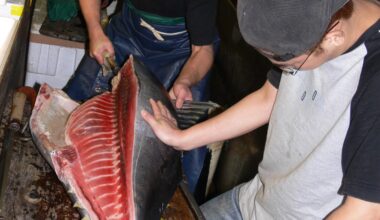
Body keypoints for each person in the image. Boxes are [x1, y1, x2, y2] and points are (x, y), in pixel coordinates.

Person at [141, 0, 380, 218]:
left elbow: (365, 210)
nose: (286, 72)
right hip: (253, 201)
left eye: (292, 67)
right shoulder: (306, 18)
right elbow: (270, 97)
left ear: (334, 36)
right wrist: (182, 139)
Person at [62, 0, 219, 193]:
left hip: (184, 54)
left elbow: (203, 50)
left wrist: (185, 81)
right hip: (127, 33)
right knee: (73, 112)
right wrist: (95, 31)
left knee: (178, 156)